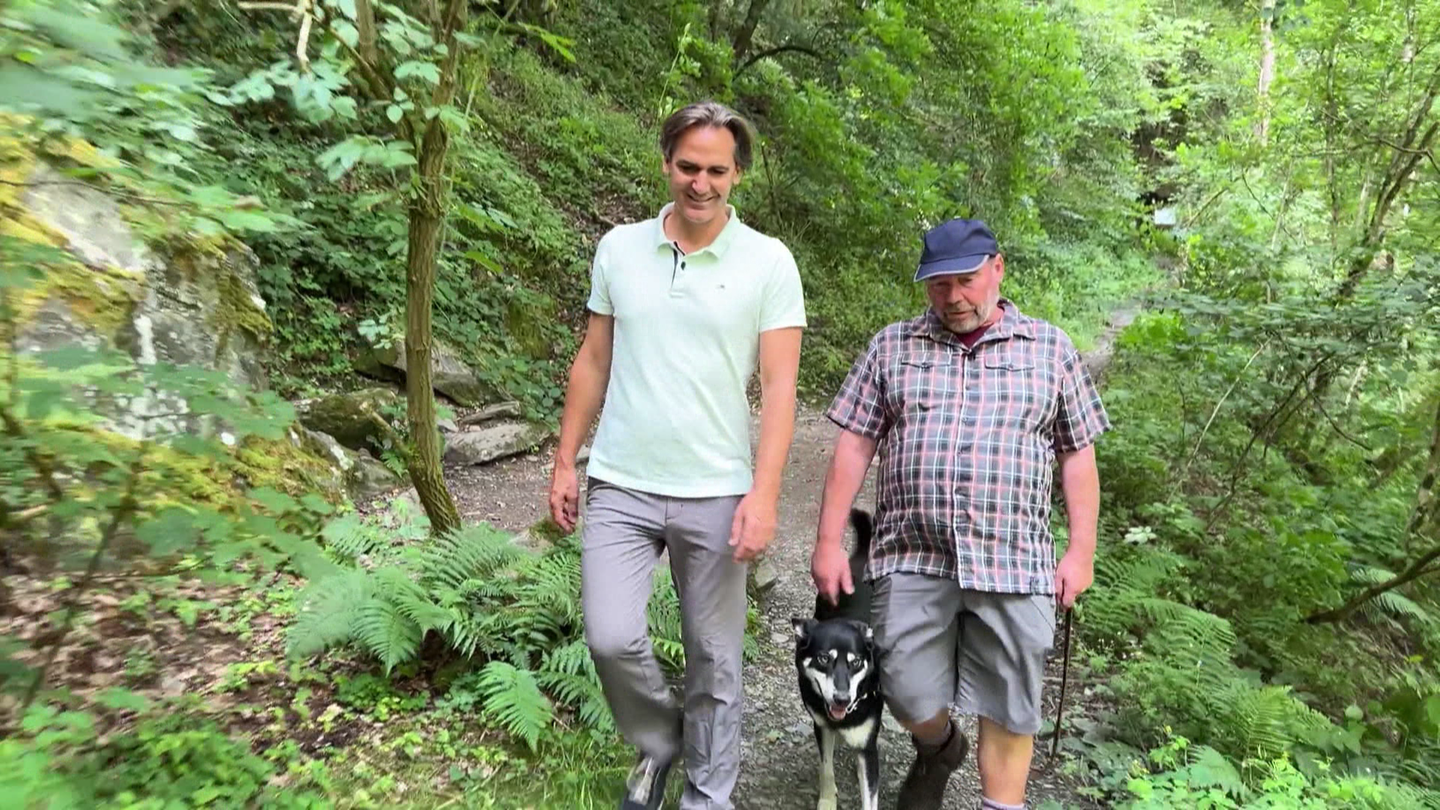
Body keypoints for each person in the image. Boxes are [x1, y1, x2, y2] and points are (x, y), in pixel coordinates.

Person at [548, 100, 805, 810]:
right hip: (621, 479)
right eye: (688, 166)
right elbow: (593, 358)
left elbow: (781, 388)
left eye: (716, 170)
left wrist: (764, 494)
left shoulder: (769, 263)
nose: (701, 183)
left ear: (737, 174)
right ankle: (660, 741)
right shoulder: (619, 248)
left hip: (717, 487)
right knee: (610, 636)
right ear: (666, 163)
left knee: (715, 659)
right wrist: (566, 460)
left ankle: (707, 796)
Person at [809, 218, 1108, 810]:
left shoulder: (1050, 349)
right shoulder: (892, 345)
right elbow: (855, 444)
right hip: (912, 553)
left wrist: (1081, 551)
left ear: (997, 268)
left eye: (965, 281)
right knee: (900, 685)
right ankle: (940, 746)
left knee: (1010, 704)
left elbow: (1077, 455)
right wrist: (826, 541)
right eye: (938, 284)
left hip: (1015, 561)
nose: (952, 297)